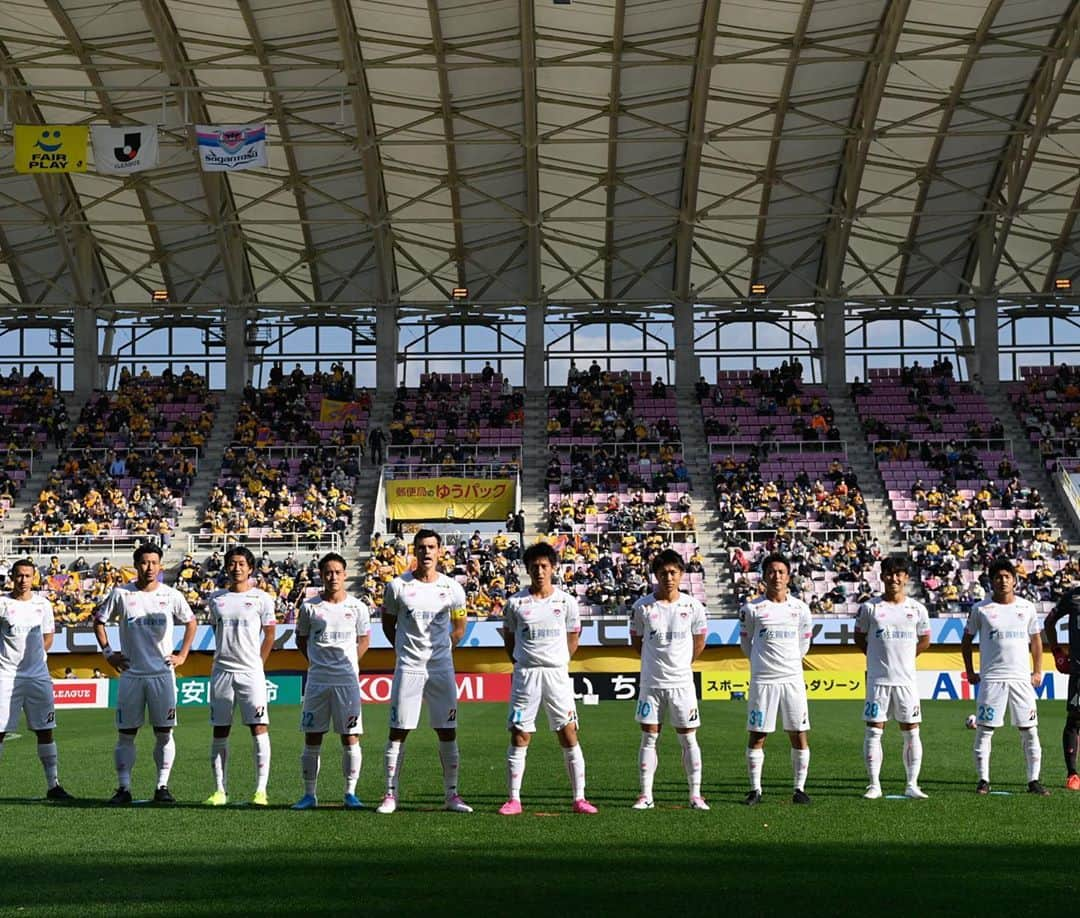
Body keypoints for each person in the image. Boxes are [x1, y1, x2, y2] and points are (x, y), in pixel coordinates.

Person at [93, 543, 197, 805]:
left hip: (162, 674)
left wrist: (183, 655)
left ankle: (162, 786)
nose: (149, 567)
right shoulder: (121, 594)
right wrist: (108, 654)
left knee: (164, 733)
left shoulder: (171, 595)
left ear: (160, 566)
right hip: (132, 675)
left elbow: (191, 622)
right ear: (136, 565)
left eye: (154, 562)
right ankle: (123, 788)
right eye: (144, 562)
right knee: (126, 733)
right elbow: (98, 621)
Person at [498, 542, 596, 815]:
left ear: (553, 568)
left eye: (544, 566)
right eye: (534, 567)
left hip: (556, 675)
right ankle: (514, 799)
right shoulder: (516, 603)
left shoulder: (566, 602)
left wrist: (558, 660)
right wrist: (520, 661)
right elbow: (509, 639)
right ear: (528, 569)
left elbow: (573, 638)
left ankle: (580, 798)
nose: (539, 571)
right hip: (526, 675)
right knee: (520, 734)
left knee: (568, 733)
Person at [378, 529, 471, 814]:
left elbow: (459, 627)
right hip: (409, 666)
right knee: (398, 730)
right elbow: (387, 624)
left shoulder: (453, 588)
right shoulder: (397, 587)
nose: (426, 552)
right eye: (421, 547)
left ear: (440, 550)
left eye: (431, 547)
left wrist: (443, 648)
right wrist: (405, 650)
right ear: (414, 551)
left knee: (447, 730)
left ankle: (452, 795)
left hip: (441, 667)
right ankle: (390, 795)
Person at [962, 558, 1049, 795]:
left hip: (1021, 680)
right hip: (992, 680)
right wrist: (970, 671)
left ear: (1015, 580)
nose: (1003, 581)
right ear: (991, 581)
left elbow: (1036, 640)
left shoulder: (1027, 607)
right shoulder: (981, 609)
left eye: (1007, 577)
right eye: (998, 577)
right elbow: (967, 640)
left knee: (1030, 730)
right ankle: (983, 780)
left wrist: (1038, 669)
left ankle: (1034, 780)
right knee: (985, 730)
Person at [629, 549, 708, 810]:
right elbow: (637, 642)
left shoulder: (693, 606)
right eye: (663, 573)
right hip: (651, 684)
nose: (668, 577)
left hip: (682, 684)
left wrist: (681, 664)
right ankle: (646, 795)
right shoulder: (642, 607)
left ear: (682, 574)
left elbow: (699, 642)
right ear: (655, 575)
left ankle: (695, 794)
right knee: (649, 738)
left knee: (688, 738)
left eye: (673, 572)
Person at [292, 552, 370, 810]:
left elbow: (364, 639)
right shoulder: (310, 607)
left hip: (346, 681)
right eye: (328, 572)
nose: (333, 576)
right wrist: (316, 661)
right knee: (313, 736)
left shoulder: (357, 607)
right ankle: (309, 795)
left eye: (337, 572)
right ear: (322, 575)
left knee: (350, 737)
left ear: (345, 575)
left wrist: (351, 665)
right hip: (318, 681)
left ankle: (350, 793)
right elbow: (301, 639)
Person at [203, 546, 276, 807]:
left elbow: (269, 635)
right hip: (222, 671)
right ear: (226, 567)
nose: (237, 568)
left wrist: (258, 664)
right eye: (232, 563)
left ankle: (260, 791)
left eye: (242, 564)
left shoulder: (262, 599)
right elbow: (215, 627)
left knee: (258, 728)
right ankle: (220, 790)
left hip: (250, 673)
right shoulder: (216, 598)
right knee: (220, 729)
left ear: (251, 568)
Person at [854, 555, 931, 799]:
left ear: (906, 577)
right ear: (882, 576)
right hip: (878, 681)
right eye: (889, 573)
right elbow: (859, 637)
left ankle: (912, 784)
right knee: (874, 731)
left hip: (906, 681)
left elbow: (925, 640)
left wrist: (907, 658)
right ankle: (874, 785)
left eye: (899, 574)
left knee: (911, 731)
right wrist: (875, 656)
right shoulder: (870, 608)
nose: (894, 578)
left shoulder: (917, 609)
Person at [739, 553, 812, 805]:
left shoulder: (800, 608)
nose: (776, 576)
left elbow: (804, 643)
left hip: (792, 679)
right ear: (764, 576)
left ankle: (799, 789)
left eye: (781, 572)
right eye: (771, 571)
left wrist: (788, 664)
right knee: (758, 734)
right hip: (764, 680)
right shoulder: (752, 608)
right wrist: (762, 665)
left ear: (788, 576)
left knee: (798, 733)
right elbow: (746, 644)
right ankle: (755, 789)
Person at [0, 559, 73, 800]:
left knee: (45, 730)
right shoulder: (2, 603)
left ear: (34, 578)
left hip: (37, 676)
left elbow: (48, 635)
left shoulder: (43, 605)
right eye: (19, 575)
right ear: (12, 576)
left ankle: (54, 785)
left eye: (28, 576)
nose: (23, 580)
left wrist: (38, 657)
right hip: (7, 675)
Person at [1043, 582, 1080, 789]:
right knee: (1075, 720)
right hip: (1079, 670)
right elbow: (1049, 622)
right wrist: (1057, 652)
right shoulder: (1072, 597)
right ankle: (1073, 774)